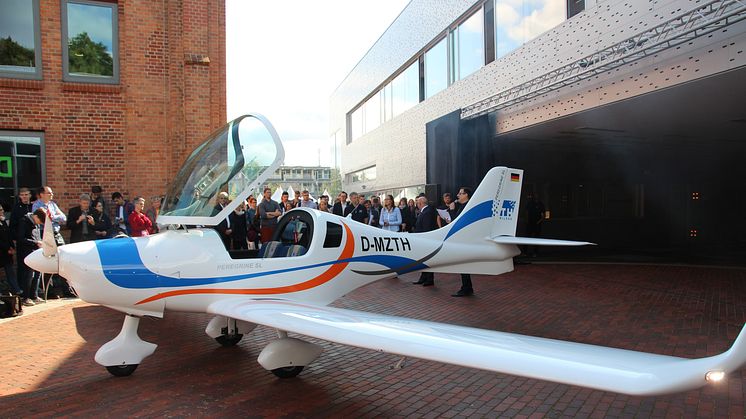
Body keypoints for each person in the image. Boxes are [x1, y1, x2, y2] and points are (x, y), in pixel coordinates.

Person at [18, 209, 46, 306]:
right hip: (27, 252)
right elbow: (21, 238)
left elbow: (37, 236)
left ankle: (34, 295)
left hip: (36, 251)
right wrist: (35, 243)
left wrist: (40, 242)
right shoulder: (24, 221)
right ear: (36, 217)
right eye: (40, 221)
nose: (40, 223)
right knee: (29, 275)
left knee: (37, 274)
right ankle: (26, 297)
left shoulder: (35, 223)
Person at [10, 187, 33, 299]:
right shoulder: (16, 209)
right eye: (22, 195)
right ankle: (22, 293)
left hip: (33, 241)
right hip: (22, 242)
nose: (24, 197)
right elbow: (12, 226)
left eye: (26, 194)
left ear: (30, 195)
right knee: (22, 267)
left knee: (33, 268)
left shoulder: (33, 207)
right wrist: (17, 238)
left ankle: (32, 291)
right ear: (19, 196)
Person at [451, 187, 475, 297]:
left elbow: (458, 223)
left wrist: (451, 211)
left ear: (466, 195)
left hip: (465, 240)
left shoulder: (468, 207)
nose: (458, 195)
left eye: (461, 193)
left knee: (463, 264)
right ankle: (467, 287)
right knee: (462, 265)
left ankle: (466, 288)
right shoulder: (462, 206)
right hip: (462, 239)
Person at [412, 196, 437, 286]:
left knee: (427, 260)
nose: (416, 205)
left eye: (417, 203)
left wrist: (422, 238)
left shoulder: (427, 212)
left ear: (420, 203)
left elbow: (427, 228)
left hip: (425, 241)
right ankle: (423, 277)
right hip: (423, 240)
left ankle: (429, 279)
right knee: (423, 260)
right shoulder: (426, 211)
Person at [0, 206, 21, 296]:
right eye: (0, 210)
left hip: (7, 252)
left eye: (2, 209)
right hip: (1, 251)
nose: (2, 211)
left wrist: (12, 247)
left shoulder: (3, 221)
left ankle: (16, 290)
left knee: (10, 272)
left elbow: (8, 235)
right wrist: (6, 249)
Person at [525, 193, 546, 257]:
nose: (536, 197)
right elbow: (526, 212)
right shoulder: (530, 203)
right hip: (530, 223)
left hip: (537, 224)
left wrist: (539, 222)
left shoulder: (541, 204)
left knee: (537, 238)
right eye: (534, 196)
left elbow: (543, 215)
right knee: (527, 238)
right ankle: (525, 252)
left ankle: (535, 252)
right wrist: (527, 220)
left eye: (537, 196)